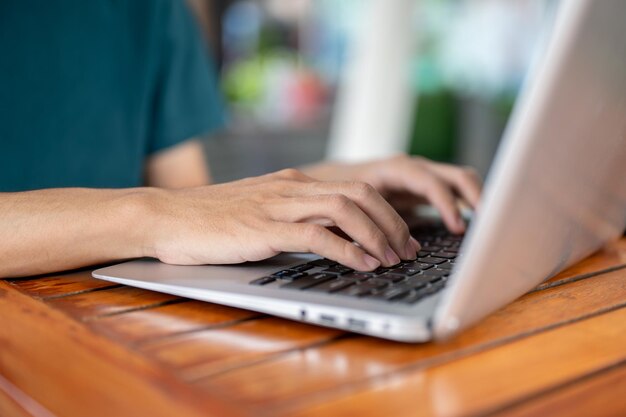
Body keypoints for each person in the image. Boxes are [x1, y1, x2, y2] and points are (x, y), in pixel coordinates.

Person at [0, 0, 481, 278]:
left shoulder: (154, 12)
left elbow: (189, 202)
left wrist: (330, 184)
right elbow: (166, 213)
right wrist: (146, 215)